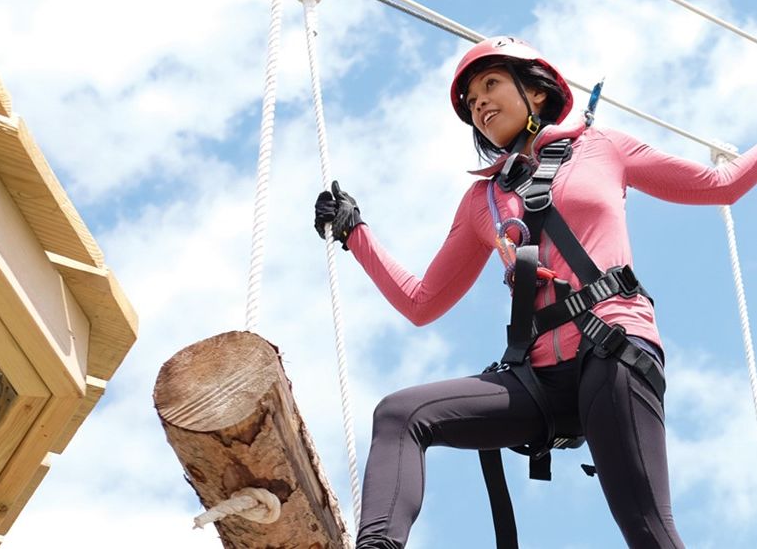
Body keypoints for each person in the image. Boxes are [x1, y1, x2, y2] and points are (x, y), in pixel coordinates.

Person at [313, 36, 757, 549]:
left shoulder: (603, 148)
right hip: (538, 376)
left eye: (491, 84)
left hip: (611, 346)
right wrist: (355, 234)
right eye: (470, 102)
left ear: (537, 92)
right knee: (400, 414)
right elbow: (422, 302)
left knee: (647, 530)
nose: (478, 104)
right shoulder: (483, 200)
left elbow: (720, 184)